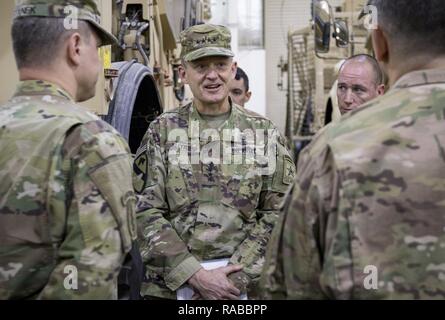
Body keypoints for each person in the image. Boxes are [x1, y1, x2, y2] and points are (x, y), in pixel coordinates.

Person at [260, 0, 445, 299]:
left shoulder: (332, 149)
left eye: (357, 89)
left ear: (379, 42)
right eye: (343, 88)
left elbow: (287, 285)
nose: (347, 98)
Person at [133, 24, 295, 300]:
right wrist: (194, 276)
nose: (212, 75)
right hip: (172, 289)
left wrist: (231, 281)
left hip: (241, 290)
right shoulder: (162, 132)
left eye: (220, 64)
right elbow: (143, 210)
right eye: (201, 66)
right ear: (184, 73)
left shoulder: (263, 133)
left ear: (233, 69)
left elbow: (280, 213)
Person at [0, 0, 137, 300]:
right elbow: (88, 285)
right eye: (99, 50)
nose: (102, 62)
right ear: (75, 46)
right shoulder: (91, 141)